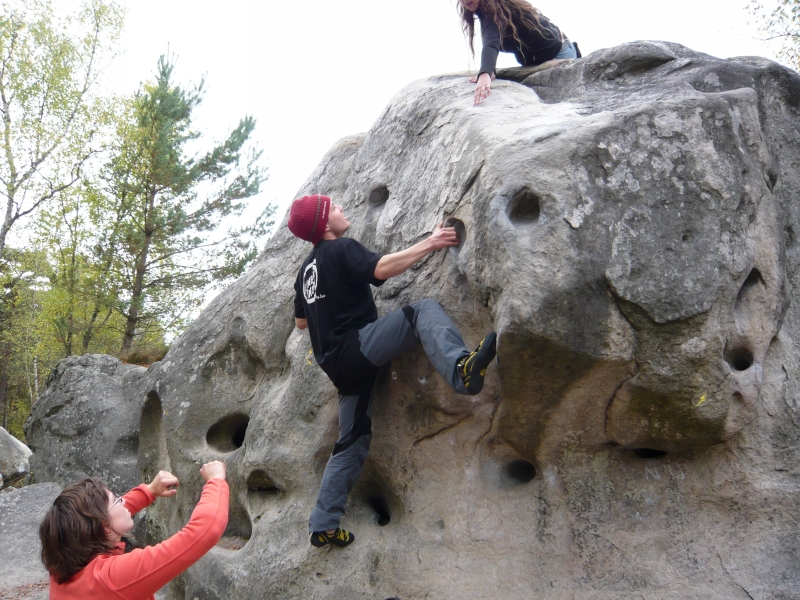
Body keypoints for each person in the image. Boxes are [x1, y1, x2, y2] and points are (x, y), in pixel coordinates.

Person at [288, 194, 497, 548]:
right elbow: (380, 269)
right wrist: (431, 242)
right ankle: (461, 369)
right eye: (335, 208)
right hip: (357, 348)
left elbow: (300, 322)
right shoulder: (340, 249)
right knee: (422, 312)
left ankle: (323, 523)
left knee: (352, 440)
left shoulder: (305, 271)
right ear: (324, 224)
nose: (342, 209)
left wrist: (328, 302)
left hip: (338, 368)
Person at [39, 461, 228, 599]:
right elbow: (206, 530)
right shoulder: (114, 578)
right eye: (116, 500)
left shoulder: (61, 564)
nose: (123, 502)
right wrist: (216, 480)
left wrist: (149, 491)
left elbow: (103, 515)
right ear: (103, 525)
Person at [458, 0, 578, 104]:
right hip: (538, 63)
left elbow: (491, 43)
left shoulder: (496, 7)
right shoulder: (485, 12)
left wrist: (485, 73)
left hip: (559, 54)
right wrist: (490, 70)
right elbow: (491, 37)